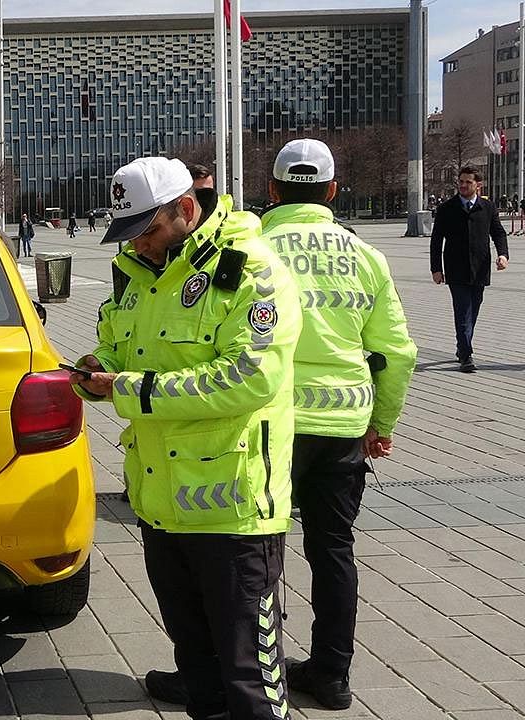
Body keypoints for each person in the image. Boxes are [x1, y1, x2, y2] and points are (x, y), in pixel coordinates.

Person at [145, 139, 417, 711]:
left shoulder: (253, 248)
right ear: (334, 191)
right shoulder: (366, 256)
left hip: (270, 427)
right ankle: (331, 673)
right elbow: (396, 352)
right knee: (334, 549)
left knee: (256, 555)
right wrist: (381, 422)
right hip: (344, 425)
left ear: (270, 190)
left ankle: (233, 670)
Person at [69, 156, 301, 720]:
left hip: (233, 512)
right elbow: (120, 346)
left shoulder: (251, 270)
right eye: (130, 235)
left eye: (148, 231)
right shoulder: (138, 274)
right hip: (161, 505)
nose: (140, 246)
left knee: (249, 678)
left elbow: (249, 378)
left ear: (187, 210)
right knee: (198, 670)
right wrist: (97, 371)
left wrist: (127, 387)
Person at [430, 167, 509, 372]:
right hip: (456, 269)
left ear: (478, 185)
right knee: (462, 310)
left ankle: (461, 346)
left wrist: (503, 255)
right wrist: (436, 268)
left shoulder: (488, 207)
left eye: (468, 182)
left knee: (473, 310)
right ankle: (466, 355)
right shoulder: (447, 208)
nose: (463, 185)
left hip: (480, 268)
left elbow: (498, 233)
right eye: (461, 181)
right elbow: (436, 240)